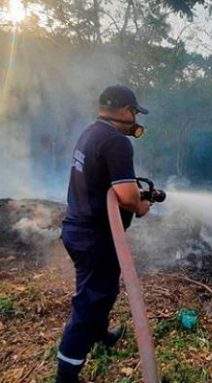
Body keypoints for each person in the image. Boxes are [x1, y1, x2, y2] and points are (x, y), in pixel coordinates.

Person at [56, 85, 152, 383]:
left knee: (103, 290)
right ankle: (66, 375)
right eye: (134, 112)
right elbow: (125, 194)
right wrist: (141, 205)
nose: (135, 118)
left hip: (78, 230)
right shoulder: (117, 142)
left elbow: (103, 181)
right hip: (96, 237)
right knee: (90, 302)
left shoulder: (90, 133)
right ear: (125, 111)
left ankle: (101, 336)